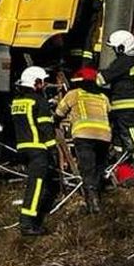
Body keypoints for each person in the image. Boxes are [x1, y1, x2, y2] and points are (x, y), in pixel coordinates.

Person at [56, 66, 112, 214]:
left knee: (87, 168)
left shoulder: (73, 94)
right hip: (104, 136)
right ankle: (98, 196)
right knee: (98, 167)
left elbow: (58, 113)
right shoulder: (102, 97)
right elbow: (109, 113)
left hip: (84, 135)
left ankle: (92, 203)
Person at [10, 65, 58, 236]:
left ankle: (28, 221)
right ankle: (28, 223)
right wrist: (53, 149)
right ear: (36, 83)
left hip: (22, 147)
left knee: (33, 183)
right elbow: (45, 127)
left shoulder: (17, 101)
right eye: (43, 82)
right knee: (36, 185)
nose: (44, 85)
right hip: (38, 148)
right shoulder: (39, 101)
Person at [98, 30, 134, 170]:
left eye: (115, 48)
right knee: (119, 133)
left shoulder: (123, 61)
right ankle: (119, 158)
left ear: (122, 47)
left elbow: (102, 79)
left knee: (130, 130)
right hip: (133, 101)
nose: (114, 50)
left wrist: (87, 79)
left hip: (125, 102)